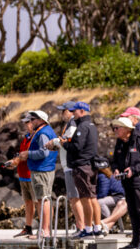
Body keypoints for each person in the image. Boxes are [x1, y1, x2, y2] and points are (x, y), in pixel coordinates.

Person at [111, 117, 140, 249]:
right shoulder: (120, 142)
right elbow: (114, 160)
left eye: (117, 128)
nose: (115, 131)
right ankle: (135, 241)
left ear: (126, 129)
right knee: (132, 211)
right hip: (127, 182)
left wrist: (134, 170)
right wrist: (116, 169)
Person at [61, 101, 103, 238]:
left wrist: (64, 144)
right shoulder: (92, 126)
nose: (73, 113)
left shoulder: (83, 127)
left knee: (86, 198)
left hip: (82, 167)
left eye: (75, 111)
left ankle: (89, 229)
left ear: (82, 112)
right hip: (90, 166)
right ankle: (97, 228)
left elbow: (76, 147)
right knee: (93, 198)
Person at [18, 110, 57, 240]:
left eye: (33, 119)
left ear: (40, 120)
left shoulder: (43, 133)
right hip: (43, 170)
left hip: (42, 170)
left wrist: (28, 154)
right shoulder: (44, 132)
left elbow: (44, 153)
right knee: (42, 200)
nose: (31, 121)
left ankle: (44, 231)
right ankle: (44, 230)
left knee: (43, 200)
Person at [49, 101, 85, 235]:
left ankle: (82, 227)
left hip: (71, 166)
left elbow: (66, 140)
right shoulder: (70, 123)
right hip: (68, 166)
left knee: (75, 198)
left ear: (70, 111)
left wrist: (53, 142)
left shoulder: (73, 124)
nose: (61, 114)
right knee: (74, 198)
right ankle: (81, 226)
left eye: (63, 111)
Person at [8, 115, 38, 237]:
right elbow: (21, 155)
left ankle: (44, 229)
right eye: (25, 123)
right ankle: (28, 227)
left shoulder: (37, 137)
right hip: (23, 175)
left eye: (28, 122)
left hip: (32, 175)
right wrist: (14, 162)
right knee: (28, 203)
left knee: (39, 202)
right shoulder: (26, 137)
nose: (26, 125)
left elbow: (32, 155)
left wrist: (18, 160)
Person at [97, 167, 127, 233]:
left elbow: (103, 192)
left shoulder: (102, 175)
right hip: (117, 195)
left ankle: (106, 221)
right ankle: (107, 224)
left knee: (99, 202)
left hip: (118, 196)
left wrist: (95, 198)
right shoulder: (107, 174)